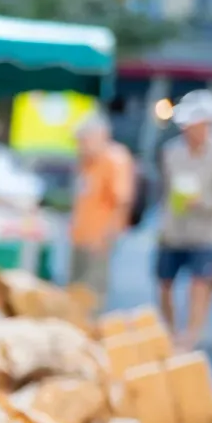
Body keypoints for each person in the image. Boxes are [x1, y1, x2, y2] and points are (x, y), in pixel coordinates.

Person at [156, 89, 212, 349]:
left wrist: (201, 202)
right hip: (174, 230)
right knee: (164, 284)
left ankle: (191, 336)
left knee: (199, 285)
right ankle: (170, 332)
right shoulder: (171, 153)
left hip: (206, 232)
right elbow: (167, 192)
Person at [70, 116, 136, 306]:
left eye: (84, 140)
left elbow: (122, 201)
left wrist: (108, 235)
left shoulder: (115, 159)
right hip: (81, 235)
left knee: (93, 290)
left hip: (99, 237)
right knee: (76, 288)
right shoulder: (87, 161)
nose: (81, 145)